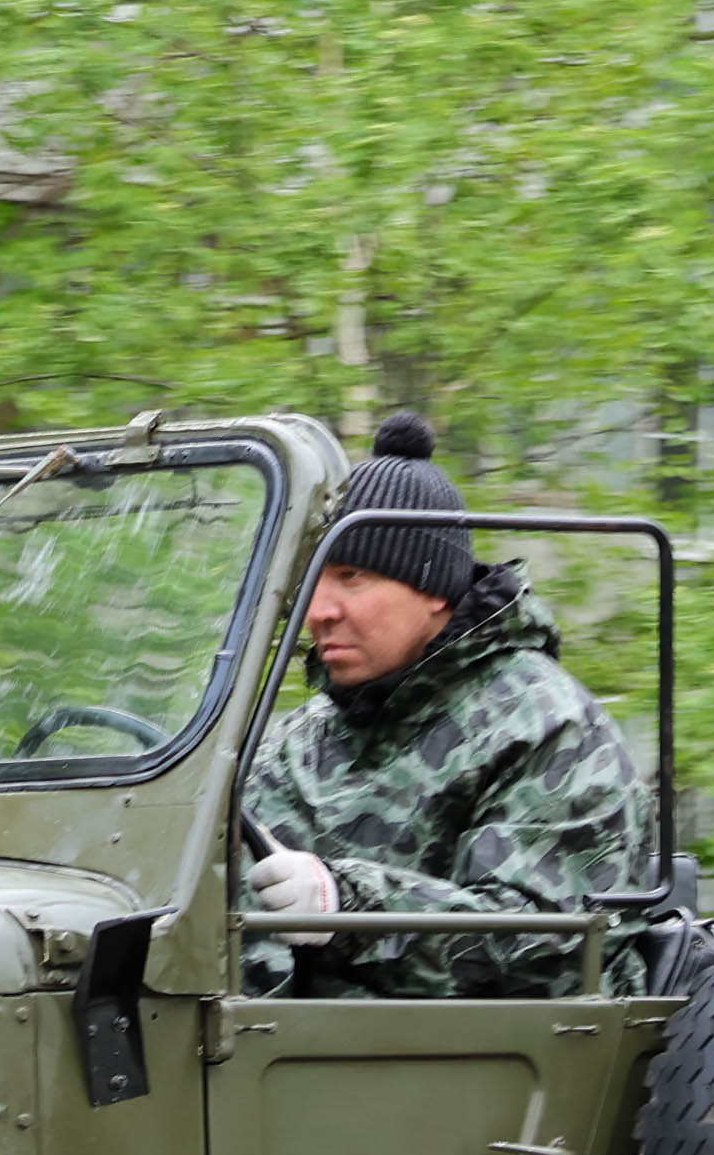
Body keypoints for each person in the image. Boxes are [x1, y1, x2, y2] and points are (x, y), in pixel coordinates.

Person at [242, 415, 653, 999]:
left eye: (351, 577)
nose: (319, 610)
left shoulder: (545, 724)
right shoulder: (298, 743)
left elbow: (549, 947)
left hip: (487, 1075)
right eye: (312, 581)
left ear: (433, 586)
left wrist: (345, 905)